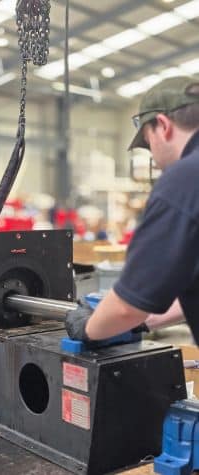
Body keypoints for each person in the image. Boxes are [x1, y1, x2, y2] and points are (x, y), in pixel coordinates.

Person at [66, 76, 199, 344]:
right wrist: (148, 318)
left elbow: (126, 307)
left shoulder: (183, 180)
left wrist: (89, 328)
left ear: (163, 126)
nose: (153, 157)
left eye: (149, 144)